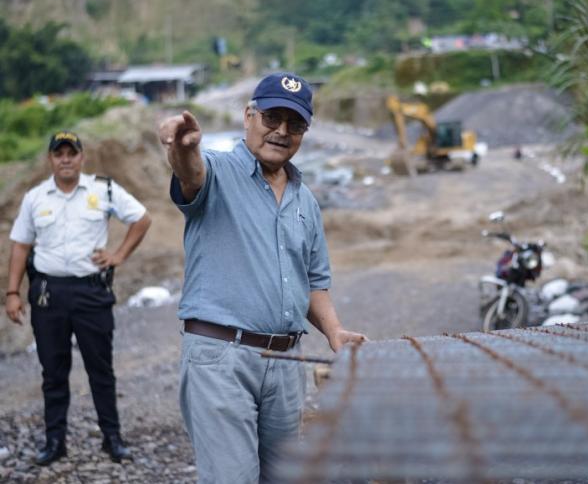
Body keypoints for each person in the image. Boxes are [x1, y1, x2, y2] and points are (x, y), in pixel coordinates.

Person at [158, 72, 367, 482]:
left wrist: (334, 331)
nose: (282, 131)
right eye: (272, 117)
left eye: (295, 124)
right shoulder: (216, 171)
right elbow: (189, 174)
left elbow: (313, 282)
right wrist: (182, 148)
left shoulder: (305, 200)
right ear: (248, 116)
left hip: (287, 363)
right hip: (222, 357)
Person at [5, 131, 152, 465]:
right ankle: (55, 442)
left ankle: (112, 439)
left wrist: (118, 255)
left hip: (91, 293)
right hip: (49, 294)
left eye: (71, 153)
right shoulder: (35, 198)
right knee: (53, 372)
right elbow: (21, 245)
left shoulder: (103, 190)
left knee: (101, 370)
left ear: (82, 157)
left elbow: (142, 219)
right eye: (59, 154)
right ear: (50, 159)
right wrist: (12, 293)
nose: (66, 159)